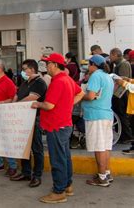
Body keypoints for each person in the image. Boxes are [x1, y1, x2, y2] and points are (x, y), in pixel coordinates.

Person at [31, 53, 84, 204]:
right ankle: (67, 185)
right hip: (64, 124)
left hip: (56, 126)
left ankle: (58, 191)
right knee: (65, 156)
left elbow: (48, 105)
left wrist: (37, 104)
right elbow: (81, 93)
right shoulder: (67, 79)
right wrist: (67, 105)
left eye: (48, 64)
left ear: (54, 65)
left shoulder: (58, 81)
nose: (46, 66)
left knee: (58, 159)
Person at [10, 59, 47, 187]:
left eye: (24, 69)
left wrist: (15, 106)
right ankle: (26, 172)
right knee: (23, 147)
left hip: (34, 119)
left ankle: (37, 175)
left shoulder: (39, 83)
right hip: (22, 119)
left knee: (36, 149)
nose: (23, 71)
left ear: (31, 69)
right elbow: (17, 94)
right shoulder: (25, 82)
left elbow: (32, 98)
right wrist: (12, 105)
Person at [80, 55, 114, 186]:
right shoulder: (107, 76)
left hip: (95, 115)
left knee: (99, 147)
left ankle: (101, 178)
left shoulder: (95, 76)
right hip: (107, 114)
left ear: (93, 64)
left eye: (89, 64)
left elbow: (90, 96)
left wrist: (80, 95)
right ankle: (106, 173)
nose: (88, 67)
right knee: (105, 146)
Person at [110, 48, 132, 144]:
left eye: (111, 55)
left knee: (122, 115)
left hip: (121, 95)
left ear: (115, 55)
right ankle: (123, 136)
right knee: (119, 115)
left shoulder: (123, 64)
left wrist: (116, 95)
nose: (110, 57)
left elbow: (122, 82)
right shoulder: (118, 64)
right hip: (118, 95)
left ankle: (126, 137)